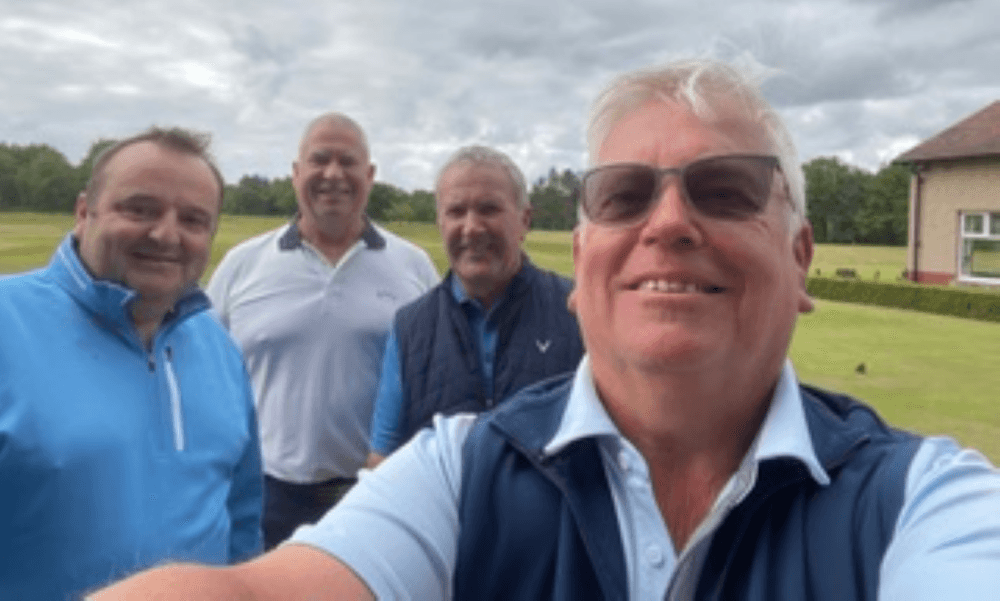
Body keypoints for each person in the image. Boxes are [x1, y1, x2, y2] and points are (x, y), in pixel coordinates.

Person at [93, 59, 1000, 601]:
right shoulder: (458, 471)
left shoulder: (925, 501)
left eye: (726, 189)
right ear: (587, 258)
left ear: (801, 257)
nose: (669, 222)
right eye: (624, 195)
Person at [0, 127, 263, 600]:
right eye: (139, 209)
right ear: (85, 212)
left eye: (193, 219)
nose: (166, 234)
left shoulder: (219, 348)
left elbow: (242, 521)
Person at [205, 112, 438, 549]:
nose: (334, 174)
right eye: (319, 160)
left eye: (348, 161)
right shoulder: (243, 265)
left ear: (369, 175)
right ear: (295, 174)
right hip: (264, 493)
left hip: (374, 491)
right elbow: (203, 376)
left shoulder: (413, 267)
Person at [366, 145, 583, 466]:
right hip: (443, 517)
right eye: (456, 212)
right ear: (440, 223)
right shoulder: (409, 327)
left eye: (489, 209)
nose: (472, 227)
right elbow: (382, 456)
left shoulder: (576, 310)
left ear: (524, 220)